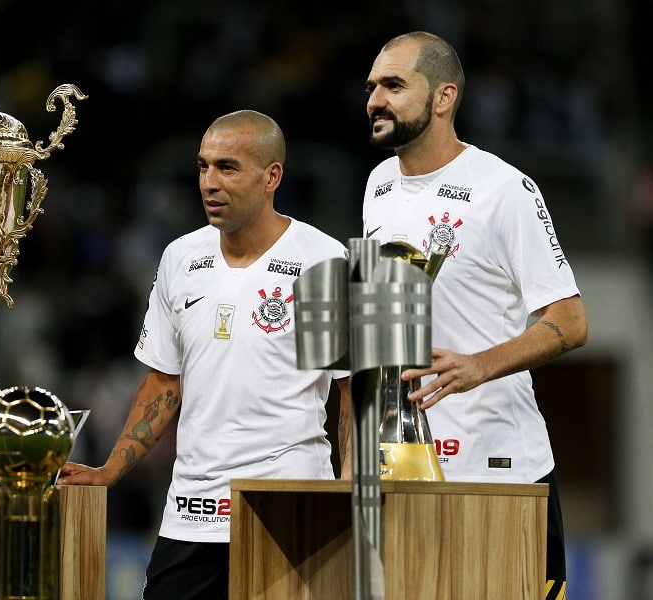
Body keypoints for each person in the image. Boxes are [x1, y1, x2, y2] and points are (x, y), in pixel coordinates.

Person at [58, 109, 352, 600]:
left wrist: (346, 491)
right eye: (202, 166)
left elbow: (350, 391)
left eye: (228, 168)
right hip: (191, 514)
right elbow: (164, 382)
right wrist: (109, 470)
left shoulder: (322, 261)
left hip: (288, 504)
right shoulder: (180, 257)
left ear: (271, 176)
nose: (209, 183)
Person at [362, 31, 588, 599]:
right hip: (407, 466)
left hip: (500, 468)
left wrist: (480, 365)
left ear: (443, 97)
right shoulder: (378, 186)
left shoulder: (504, 189)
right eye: (371, 87)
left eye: (393, 85)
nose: (375, 100)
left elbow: (570, 319)